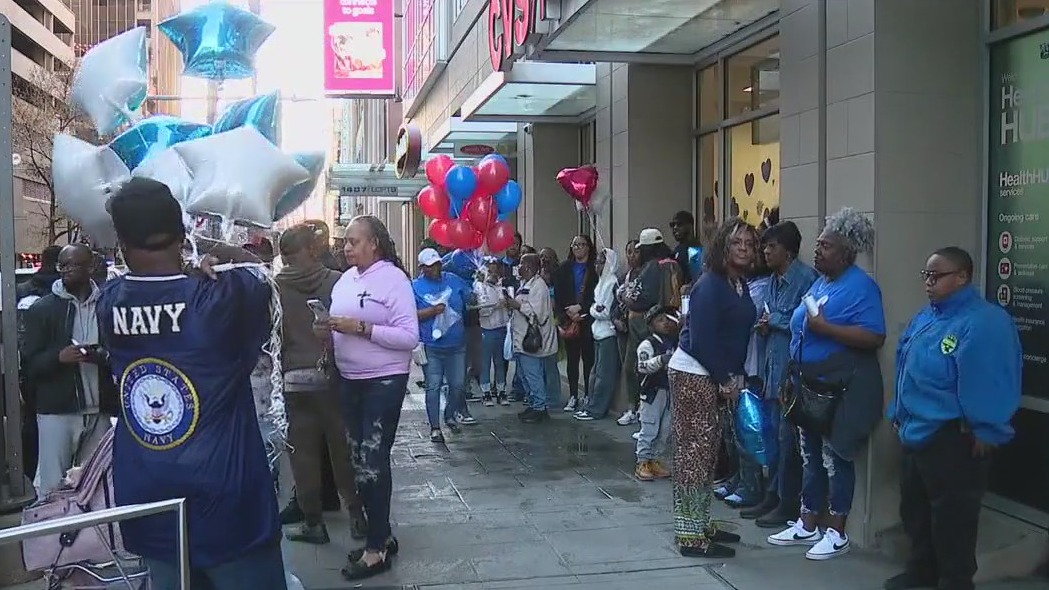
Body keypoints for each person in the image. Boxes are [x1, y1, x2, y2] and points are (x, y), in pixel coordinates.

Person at [98, 178, 285, 589]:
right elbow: (261, 269)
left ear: (122, 243)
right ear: (182, 235)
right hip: (228, 501)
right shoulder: (221, 296)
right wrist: (206, 252)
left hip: (150, 497)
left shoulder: (109, 302)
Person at [885, 247, 1021, 590]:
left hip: (954, 436)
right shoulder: (927, 316)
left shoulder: (984, 322)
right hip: (917, 431)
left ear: (962, 277)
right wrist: (898, 413)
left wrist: (987, 428)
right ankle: (922, 571)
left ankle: (955, 581)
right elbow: (905, 366)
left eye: (937, 276)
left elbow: (989, 379)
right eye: (926, 276)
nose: (928, 283)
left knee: (953, 521)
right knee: (915, 511)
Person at [767, 207, 886, 561]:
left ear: (847, 253)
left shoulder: (863, 287)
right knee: (811, 455)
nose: (817, 251)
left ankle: (837, 530)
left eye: (826, 246)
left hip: (841, 389)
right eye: (818, 244)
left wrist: (827, 330)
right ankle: (807, 522)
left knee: (836, 458)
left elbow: (875, 336)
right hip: (809, 386)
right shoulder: (822, 282)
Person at [326, 215, 419, 580]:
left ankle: (376, 549)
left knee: (371, 462)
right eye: (345, 242)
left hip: (384, 381)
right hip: (349, 380)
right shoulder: (346, 279)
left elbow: (409, 336)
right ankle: (382, 532)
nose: (346, 247)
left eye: (354, 241)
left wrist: (362, 329)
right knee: (361, 462)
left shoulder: (394, 279)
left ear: (374, 244)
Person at [667, 218, 757, 558]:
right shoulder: (710, 285)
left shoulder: (737, 283)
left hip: (714, 375)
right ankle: (689, 534)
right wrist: (724, 379)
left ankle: (701, 521)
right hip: (694, 374)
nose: (745, 249)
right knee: (694, 454)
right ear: (722, 247)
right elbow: (701, 340)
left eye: (749, 243)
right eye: (737, 244)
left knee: (707, 452)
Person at [276, 224, 366, 545]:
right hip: (333, 376)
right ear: (313, 251)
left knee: (303, 454)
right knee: (342, 451)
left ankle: (313, 522)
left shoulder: (274, 288)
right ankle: (357, 516)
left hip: (294, 379)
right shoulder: (338, 281)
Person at [22, 243, 116, 497]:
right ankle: (47, 534)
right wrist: (58, 357)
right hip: (57, 411)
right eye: (62, 265)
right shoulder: (42, 310)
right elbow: (28, 365)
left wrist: (101, 357)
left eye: (73, 265)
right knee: (51, 484)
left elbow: (120, 351)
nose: (66, 271)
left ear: (90, 267)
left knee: (98, 483)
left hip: (100, 410)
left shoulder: (107, 305)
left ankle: (93, 535)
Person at [748, 221, 818, 528]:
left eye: (770, 246)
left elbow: (806, 320)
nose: (764, 251)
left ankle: (789, 501)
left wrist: (772, 320)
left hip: (792, 373)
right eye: (763, 246)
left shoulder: (806, 279)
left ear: (787, 251)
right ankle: (773, 493)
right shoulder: (773, 280)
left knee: (790, 442)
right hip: (771, 368)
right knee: (772, 436)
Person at [722, 226, 771, 510]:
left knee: (749, 428)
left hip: (753, 366)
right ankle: (737, 478)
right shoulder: (738, 284)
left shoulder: (761, 286)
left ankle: (751, 485)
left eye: (751, 246)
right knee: (735, 429)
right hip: (737, 363)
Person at [413, 247, 476, 444]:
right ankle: (435, 427)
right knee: (433, 386)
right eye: (430, 266)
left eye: (437, 264)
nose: (435, 269)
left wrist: (476, 293)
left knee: (457, 385)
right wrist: (432, 311)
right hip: (432, 346)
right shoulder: (414, 287)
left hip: (456, 345)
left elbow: (470, 298)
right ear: (422, 268)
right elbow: (408, 315)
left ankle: (449, 414)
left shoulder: (453, 280)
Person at [621, 228, 681, 426]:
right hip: (671, 324)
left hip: (646, 325)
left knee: (639, 369)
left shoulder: (652, 267)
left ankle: (640, 413)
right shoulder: (674, 264)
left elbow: (637, 298)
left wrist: (623, 295)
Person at [505, 253, 558, 423]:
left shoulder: (539, 286)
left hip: (532, 341)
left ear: (528, 267)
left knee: (533, 374)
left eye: (521, 264)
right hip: (520, 338)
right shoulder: (525, 284)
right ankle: (534, 403)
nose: (518, 267)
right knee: (523, 374)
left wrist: (517, 305)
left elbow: (538, 314)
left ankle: (540, 407)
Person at [634, 305, 680, 481]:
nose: (665, 324)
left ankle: (655, 459)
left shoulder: (672, 342)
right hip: (653, 391)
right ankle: (643, 461)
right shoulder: (647, 344)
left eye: (667, 319)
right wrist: (661, 360)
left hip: (669, 390)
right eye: (660, 321)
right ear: (651, 325)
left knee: (665, 428)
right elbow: (642, 366)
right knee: (650, 427)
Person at [574, 247, 619, 421]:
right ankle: (591, 404)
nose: (597, 266)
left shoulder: (611, 283)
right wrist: (595, 309)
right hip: (598, 333)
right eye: (597, 262)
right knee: (594, 373)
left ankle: (597, 409)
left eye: (601, 262)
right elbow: (595, 306)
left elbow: (605, 312)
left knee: (603, 375)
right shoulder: (601, 282)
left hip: (608, 333)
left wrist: (594, 310)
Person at [554, 234, 598, 413]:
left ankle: (587, 394)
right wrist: (568, 312)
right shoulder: (564, 268)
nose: (578, 248)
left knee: (589, 359)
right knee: (572, 360)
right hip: (569, 319)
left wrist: (582, 309)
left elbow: (596, 294)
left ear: (588, 247)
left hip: (588, 319)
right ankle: (573, 395)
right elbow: (559, 294)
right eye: (575, 245)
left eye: (582, 244)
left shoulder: (594, 268)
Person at [474, 257, 511, 407]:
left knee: (500, 362)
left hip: (501, 328)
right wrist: (497, 305)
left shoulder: (501, 286)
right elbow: (482, 310)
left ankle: (501, 390)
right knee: (485, 363)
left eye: (496, 269)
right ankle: (486, 392)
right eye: (490, 269)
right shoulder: (479, 287)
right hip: (486, 329)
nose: (493, 273)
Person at [669, 210, 704, 286]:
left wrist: (688, 287)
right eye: (673, 225)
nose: (675, 228)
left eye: (679, 224)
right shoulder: (677, 249)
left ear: (690, 226)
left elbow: (698, 278)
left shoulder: (695, 249)